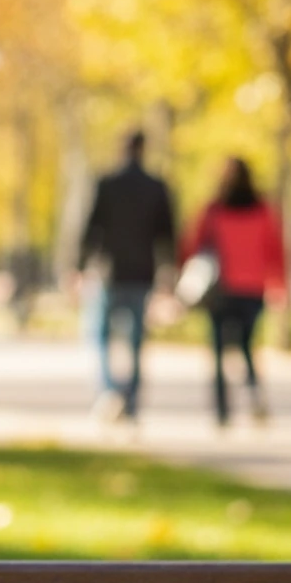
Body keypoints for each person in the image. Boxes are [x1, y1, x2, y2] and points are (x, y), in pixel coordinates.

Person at [179, 157, 286, 428]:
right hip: (252, 287)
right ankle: (253, 396)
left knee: (218, 351)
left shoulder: (214, 209)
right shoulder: (262, 209)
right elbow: (275, 249)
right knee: (247, 348)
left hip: (221, 288)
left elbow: (192, 246)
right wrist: (279, 284)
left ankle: (222, 411)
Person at [78, 130, 177, 422]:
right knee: (135, 341)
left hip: (111, 271)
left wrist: (80, 265)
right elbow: (167, 235)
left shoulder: (107, 183)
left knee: (100, 335)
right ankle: (131, 402)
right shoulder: (156, 187)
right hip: (141, 272)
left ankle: (109, 389)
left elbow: (91, 227)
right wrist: (168, 272)